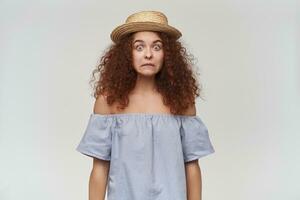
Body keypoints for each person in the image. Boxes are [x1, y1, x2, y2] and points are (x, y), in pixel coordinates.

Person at [76, 10, 215, 200]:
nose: (148, 54)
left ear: (168, 54)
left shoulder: (182, 102)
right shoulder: (108, 102)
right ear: (127, 54)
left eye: (157, 47)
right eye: (139, 47)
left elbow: (191, 166)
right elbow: (99, 168)